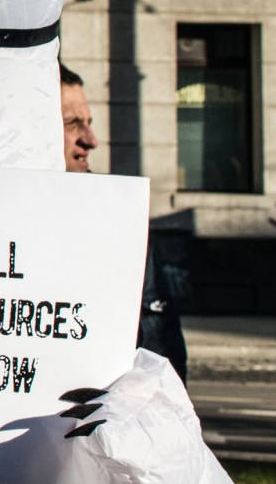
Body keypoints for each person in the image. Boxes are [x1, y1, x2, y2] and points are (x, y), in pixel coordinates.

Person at [61, 63, 186, 378]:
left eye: (88, 123)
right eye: (72, 123)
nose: (91, 140)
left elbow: (157, 340)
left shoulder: (117, 218)